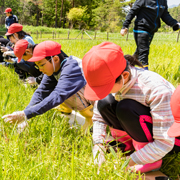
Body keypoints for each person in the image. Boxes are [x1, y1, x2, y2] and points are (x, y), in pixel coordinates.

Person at [82, 41, 180, 173]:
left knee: (126, 107)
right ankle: (126, 146)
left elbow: (165, 142)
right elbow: (99, 117)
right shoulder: (114, 80)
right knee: (105, 102)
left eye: (105, 87)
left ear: (125, 76)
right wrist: (98, 145)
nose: (102, 92)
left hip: (170, 140)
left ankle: (150, 158)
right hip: (146, 128)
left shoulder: (155, 90)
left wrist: (129, 161)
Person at [2, 41, 93, 133]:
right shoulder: (54, 69)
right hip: (85, 97)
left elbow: (58, 95)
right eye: (38, 66)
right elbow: (41, 92)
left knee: (64, 91)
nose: (40, 69)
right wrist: (25, 114)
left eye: (41, 64)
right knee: (56, 90)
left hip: (97, 101)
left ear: (56, 59)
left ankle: (91, 117)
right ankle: (66, 110)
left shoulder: (71, 68)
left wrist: (26, 114)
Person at [120, 0, 180, 70]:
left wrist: (175, 24)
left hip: (152, 30)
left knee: (139, 52)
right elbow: (133, 11)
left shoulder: (163, 1)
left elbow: (165, 15)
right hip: (141, 28)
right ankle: (146, 76)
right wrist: (125, 26)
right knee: (144, 52)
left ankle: (125, 67)